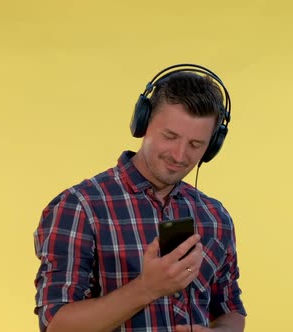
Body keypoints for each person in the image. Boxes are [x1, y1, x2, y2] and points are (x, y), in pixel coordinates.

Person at [33, 64, 246, 332]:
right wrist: (147, 287)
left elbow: (230, 309)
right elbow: (57, 325)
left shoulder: (215, 217)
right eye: (170, 136)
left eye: (195, 145)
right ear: (143, 125)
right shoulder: (79, 207)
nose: (180, 156)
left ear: (212, 147)